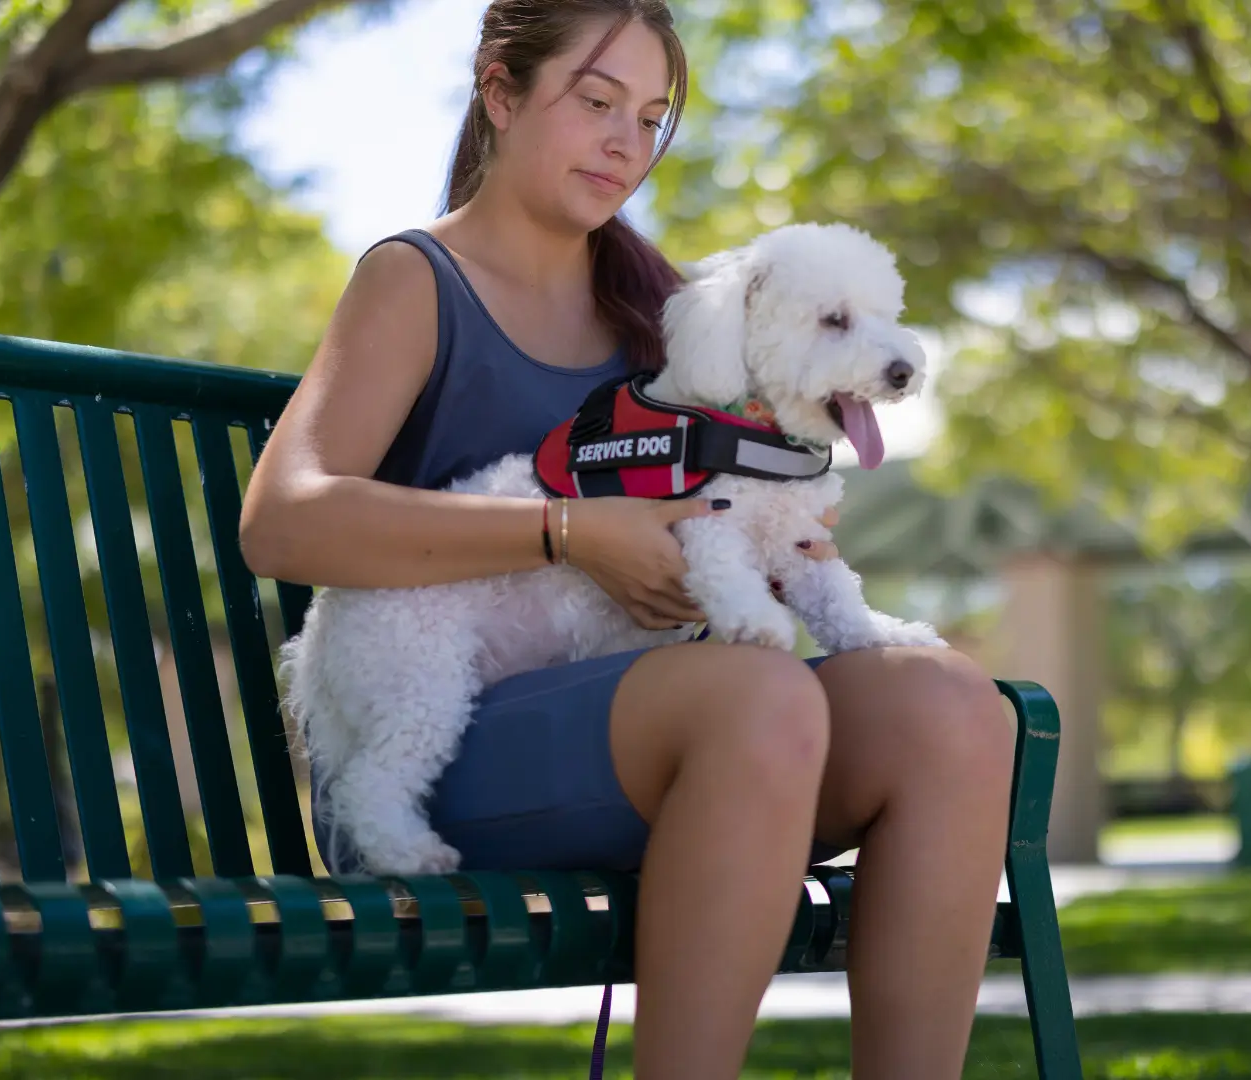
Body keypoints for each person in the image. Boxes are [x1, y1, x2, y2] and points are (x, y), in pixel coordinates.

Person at [237, 2, 1015, 1075]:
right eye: (596, 102)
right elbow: (282, 520)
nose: (625, 143)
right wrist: (568, 532)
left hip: (677, 729)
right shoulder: (416, 280)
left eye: (650, 119)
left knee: (953, 706)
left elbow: (741, 511)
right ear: (500, 92)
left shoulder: (661, 305)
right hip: (443, 746)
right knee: (764, 692)